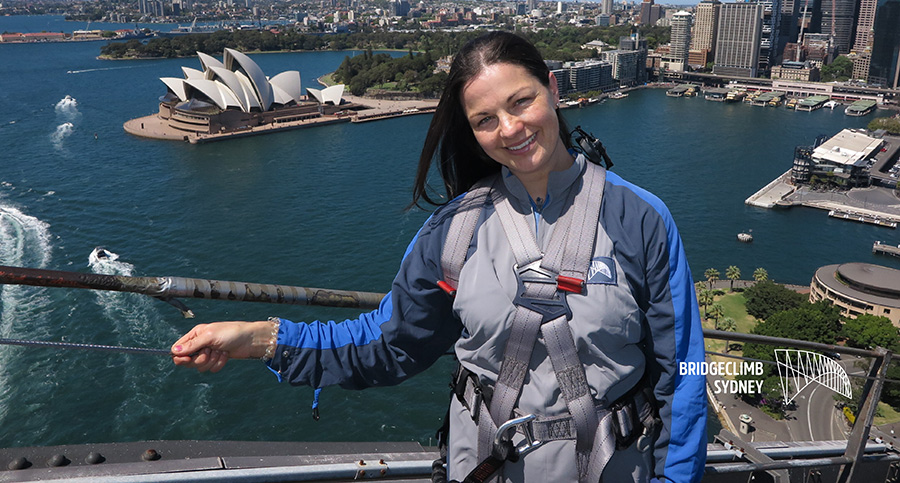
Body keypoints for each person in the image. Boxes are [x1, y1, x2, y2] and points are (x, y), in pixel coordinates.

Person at [172, 31, 707, 482]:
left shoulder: (640, 219)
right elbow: (390, 342)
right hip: (486, 468)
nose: (511, 129)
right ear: (472, 133)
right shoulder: (455, 230)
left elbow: (682, 372)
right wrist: (260, 339)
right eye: (485, 119)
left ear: (553, 89)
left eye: (521, 102)